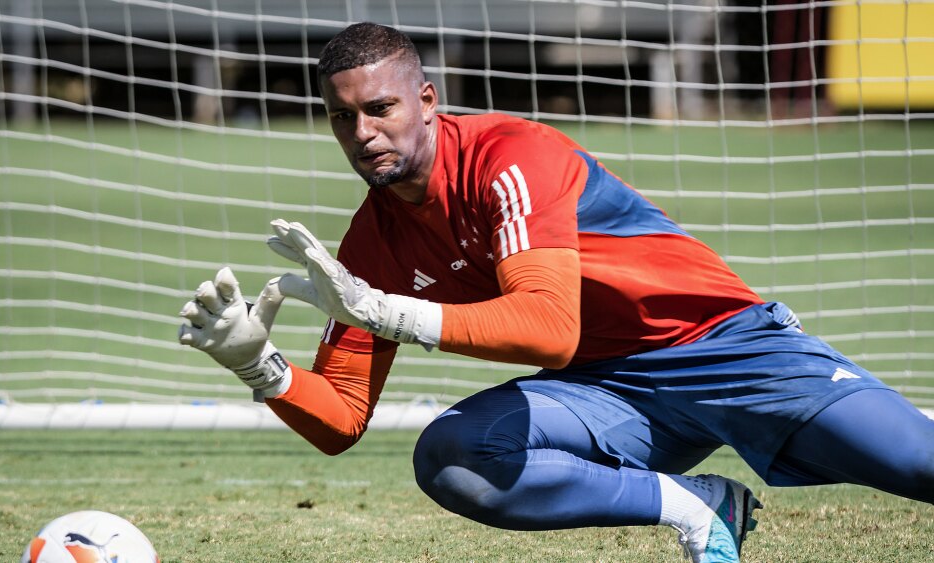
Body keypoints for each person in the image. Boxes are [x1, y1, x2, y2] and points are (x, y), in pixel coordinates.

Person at [178, 22, 934, 562]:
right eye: (342, 117)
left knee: (920, 466)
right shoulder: (369, 243)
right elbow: (342, 417)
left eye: (381, 108)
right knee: (453, 456)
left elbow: (547, 330)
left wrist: (382, 310)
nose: (363, 132)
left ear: (428, 100)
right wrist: (261, 368)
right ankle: (697, 504)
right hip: (609, 393)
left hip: (724, 350)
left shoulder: (514, 156)